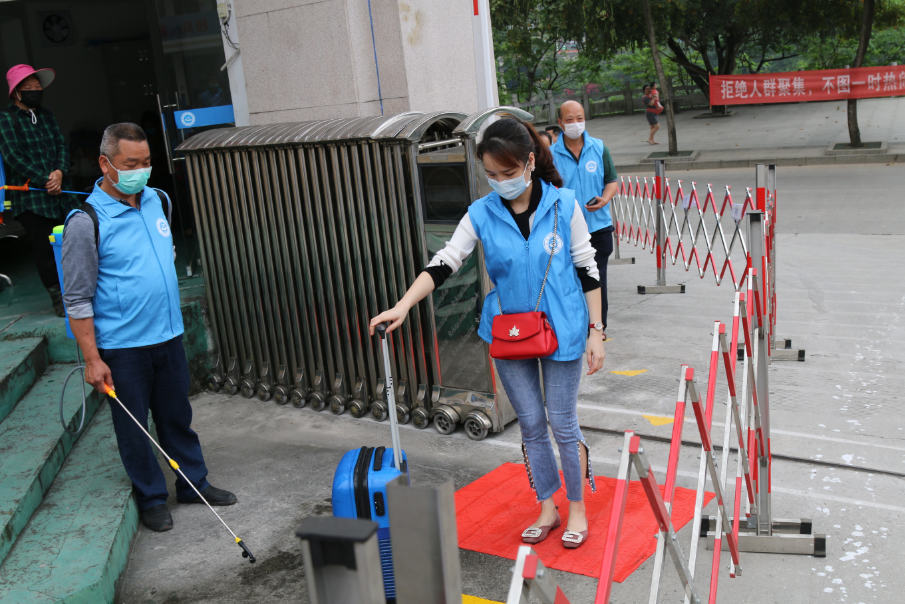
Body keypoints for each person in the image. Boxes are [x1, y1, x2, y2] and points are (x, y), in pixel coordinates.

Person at [370, 118, 605, 548]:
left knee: (562, 423)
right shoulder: (481, 212)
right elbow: (445, 261)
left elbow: (587, 267)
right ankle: (547, 506)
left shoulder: (564, 204)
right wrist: (403, 305)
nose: (500, 183)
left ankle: (576, 507)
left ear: (530, 162)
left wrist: (597, 330)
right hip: (511, 332)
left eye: (509, 173)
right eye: (491, 175)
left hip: (566, 326)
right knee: (531, 425)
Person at [61, 123, 236, 533]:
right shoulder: (85, 222)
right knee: (135, 428)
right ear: (106, 164)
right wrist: (92, 359)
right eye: (130, 164)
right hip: (122, 348)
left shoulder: (158, 200)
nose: (141, 170)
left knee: (177, 415)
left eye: (146, 162)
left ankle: (194, 482)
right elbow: (77, 299)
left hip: (168, 335)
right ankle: (152, 497)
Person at [0, 65, 81, 316]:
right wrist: (45, 179)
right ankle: (59, 297)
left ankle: (80, 292)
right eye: (29, 88)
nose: (36, 91)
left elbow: (61, 144)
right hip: (31, 198)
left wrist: (59, 172)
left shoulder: (46, 115)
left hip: (60, 194)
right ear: (16, 93)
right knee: (45, 250)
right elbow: (12, 156)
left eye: (38, 87)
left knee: (74, 241)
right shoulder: (7, 119)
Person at [551, 100, 619, 341]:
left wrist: (604, 199)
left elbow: (611, 180)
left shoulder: (599, 148)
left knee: (596, 278)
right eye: (569, 120)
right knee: (568, 280)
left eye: (579, 118)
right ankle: (572, 326)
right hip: (565, 231)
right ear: (560, 123)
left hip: (598, 228)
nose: (575, 124)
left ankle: (597, 328)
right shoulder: (550, 154)